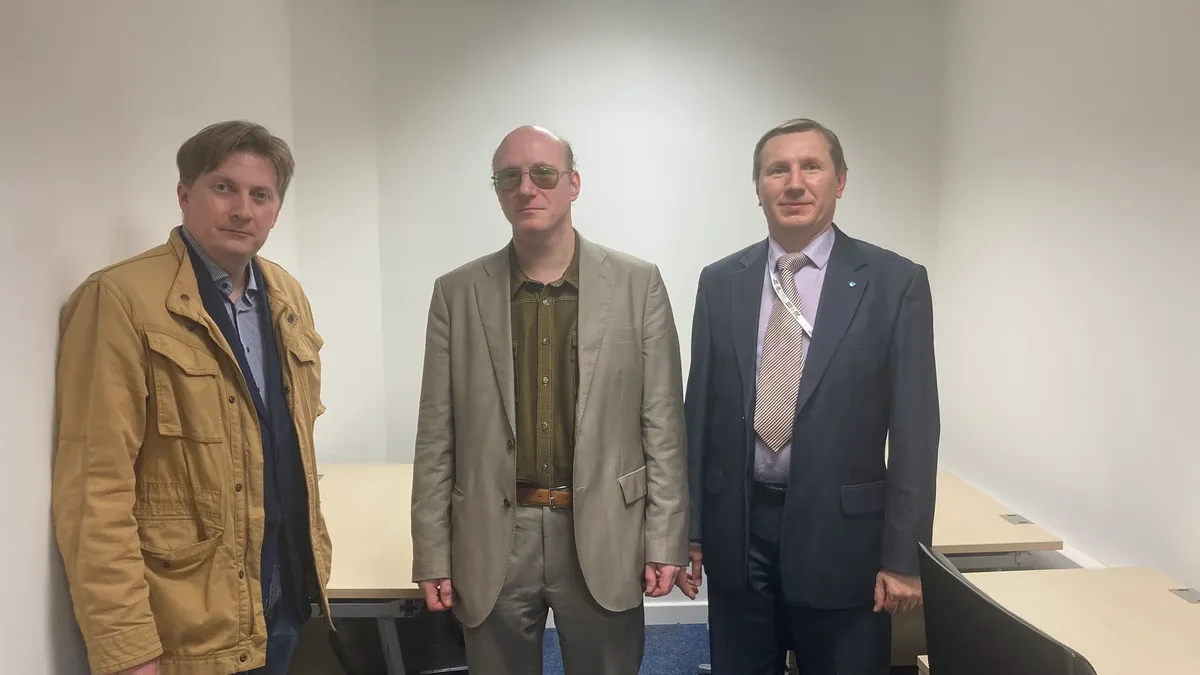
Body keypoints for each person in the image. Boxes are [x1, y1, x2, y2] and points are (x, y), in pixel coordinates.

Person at [51, 120, 334, 675]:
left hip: (280, 597)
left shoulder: (285, 295)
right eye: (224, 188)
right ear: (185, 194)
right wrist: (127, 648)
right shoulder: (120, 300)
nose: (242, 210)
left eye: (261, 195)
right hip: (188, 626)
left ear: (276, 209)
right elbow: (94, 487)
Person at [410, 125, 689, 674]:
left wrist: (665, 539)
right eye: (508, 177)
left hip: (605, 527)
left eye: (543, 173)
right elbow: (435, 436)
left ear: (573, 184)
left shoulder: (638, 285)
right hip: (493, 531)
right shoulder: (456, 294)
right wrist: (431, 550)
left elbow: (663, 427)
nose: (526, 188)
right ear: (497, 190)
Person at [678, 118, 940, 674]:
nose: (794, 183)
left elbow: (916, 432)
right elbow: (698, 413)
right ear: (758, 188)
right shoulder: (720, 282)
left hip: (844, 540)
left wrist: (905, 558)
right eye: (778, 170)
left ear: (839, 181)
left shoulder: (894, 283)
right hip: (738, 531)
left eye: (811, 167)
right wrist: (691, 530)